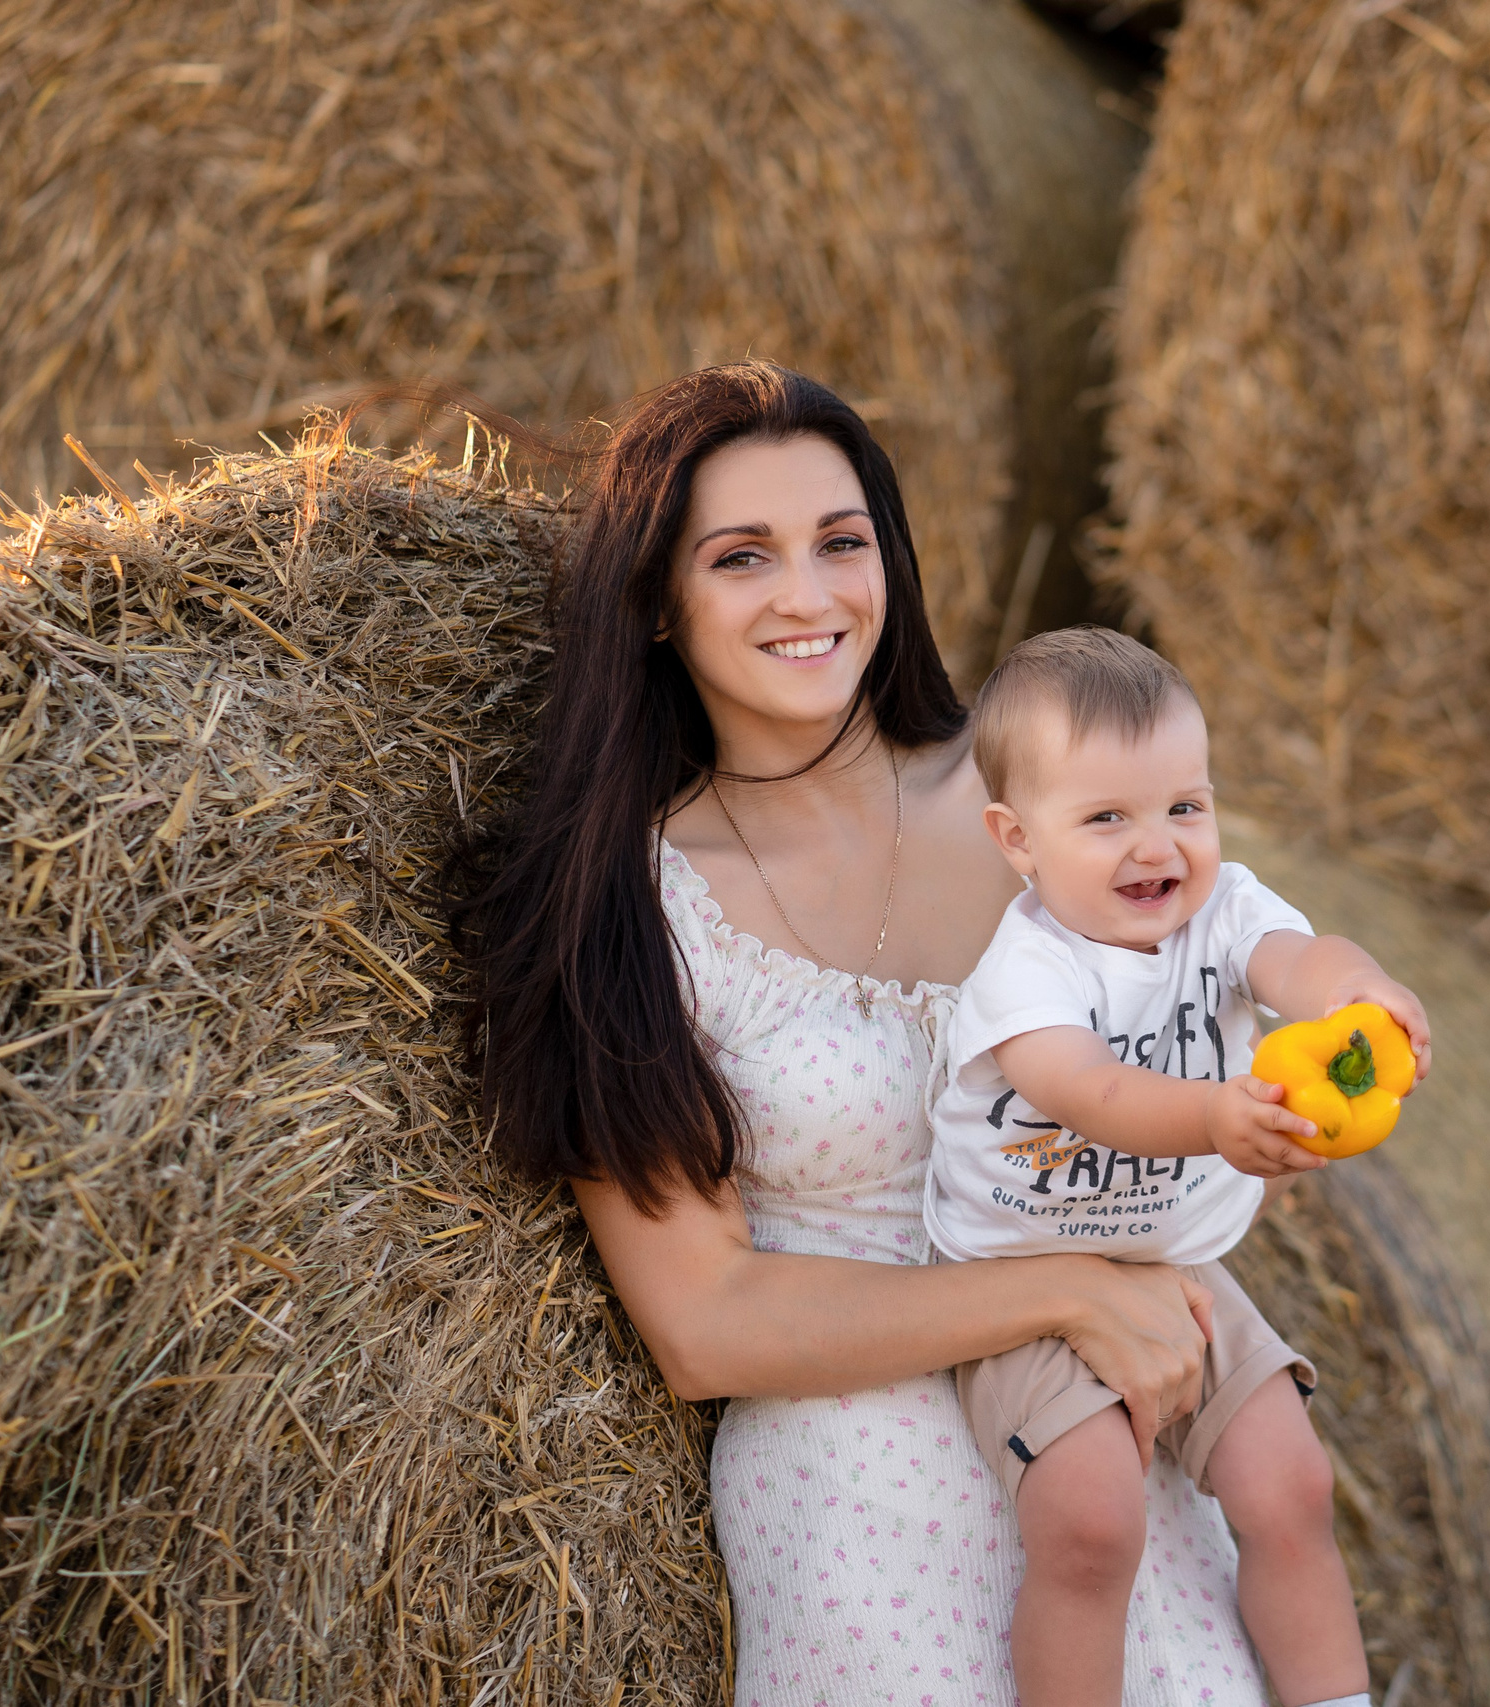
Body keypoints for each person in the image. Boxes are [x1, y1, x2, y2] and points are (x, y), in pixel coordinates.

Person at [454, 361, 1285, 1704]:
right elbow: (705, 1321)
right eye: (743, 557)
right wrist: (1067, 1291)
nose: (809, 593)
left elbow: (1209, 1013)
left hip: (1115, 1467)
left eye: (843, 542)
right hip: (863, 1512)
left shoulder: (1049, 807)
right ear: (661, 605)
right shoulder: (624, 911)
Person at [926, 628, 1426, 1707]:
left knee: (1292, 1485)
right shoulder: (1027, 968)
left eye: (1182, 808)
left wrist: (1365, 993)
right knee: (1092, 1518)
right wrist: (1215, 1117)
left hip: (1180, 1270)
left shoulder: (1223, 909)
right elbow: (1088, 1092)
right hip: (1026, 1287)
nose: (1155, 846)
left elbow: (1301, 961)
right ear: (1017, 840)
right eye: (1106, 817)